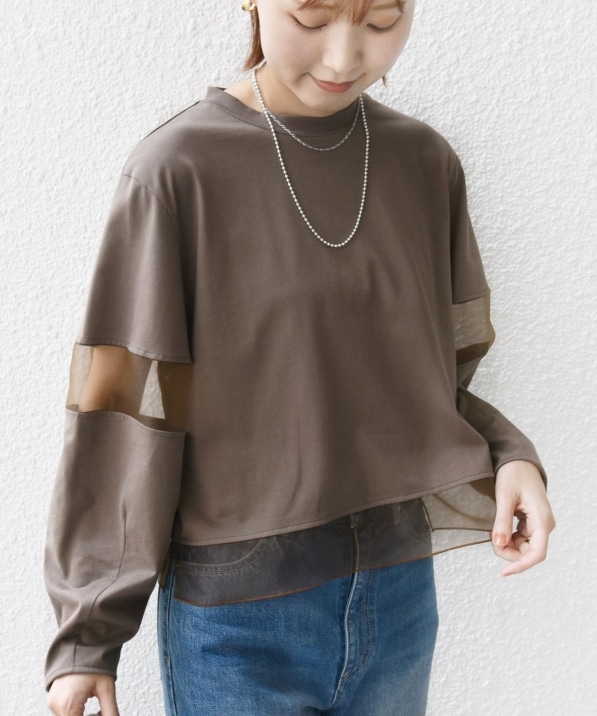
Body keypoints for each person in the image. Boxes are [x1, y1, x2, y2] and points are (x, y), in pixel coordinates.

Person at [44, 0, 556, 714]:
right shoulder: (176, 170)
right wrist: (88, 635)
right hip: (238, 614)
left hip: (398, 598)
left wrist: (509, 455)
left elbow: (432, 378)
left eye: (381, 22)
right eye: (311, 20)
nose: (344, 58)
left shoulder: (423, 163)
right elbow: (125, 410)